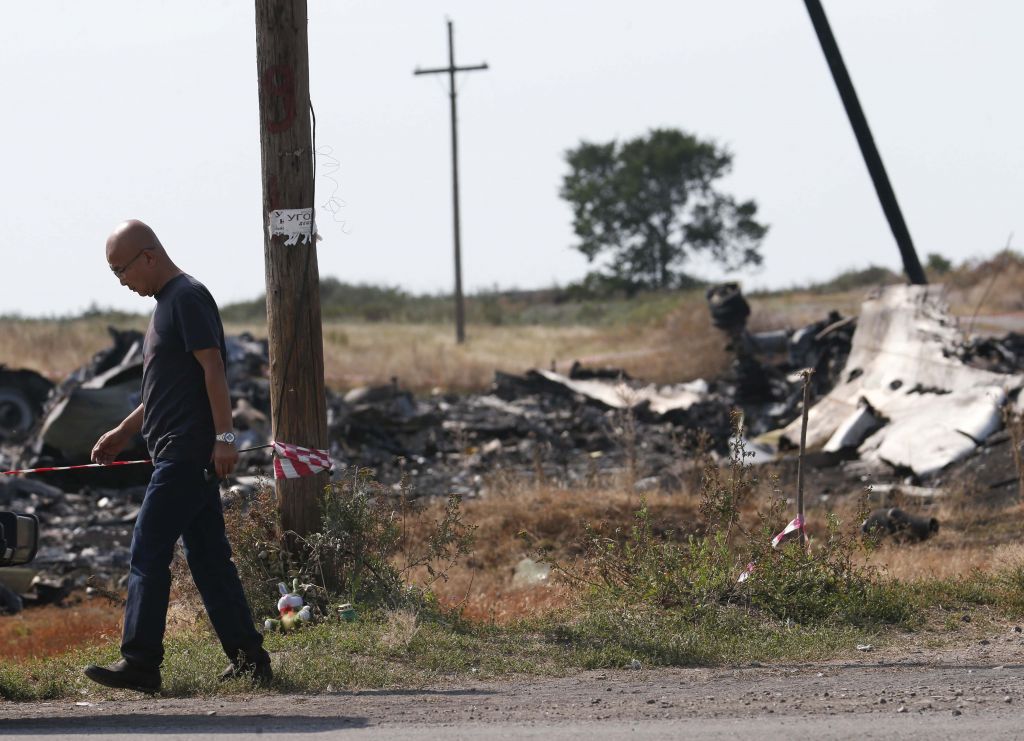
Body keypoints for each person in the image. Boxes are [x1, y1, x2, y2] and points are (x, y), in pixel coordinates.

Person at [84, 220, 270, 693]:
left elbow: (213, 369)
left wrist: (225, 437)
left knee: (147, 547)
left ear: (147, 256)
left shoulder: (186, 296)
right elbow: (164, 387)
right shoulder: (166, 306)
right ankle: (250, 659)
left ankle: (141, 662)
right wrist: (124, 431)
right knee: (209, 558)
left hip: (188, 452)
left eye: (121, 270)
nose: (123, 282)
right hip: (173, 448)